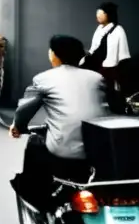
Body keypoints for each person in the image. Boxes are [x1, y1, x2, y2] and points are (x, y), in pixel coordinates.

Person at [9, 35, 107, 208]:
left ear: (54, 55)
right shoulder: (97, 78)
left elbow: (25, 110)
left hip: (64, 151)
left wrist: (18, 127)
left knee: (35, 144)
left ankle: (40, 202)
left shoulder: (44, 79)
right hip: (99, 150)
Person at [82, 2, 131, 113]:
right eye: (97, 13)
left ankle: (119, 108)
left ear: (109, 14)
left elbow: (122, 53)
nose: (98, 15)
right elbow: (94, 48)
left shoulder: (118, 30)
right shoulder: (99, 29)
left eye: (102, 13)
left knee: (112, 89)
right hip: (97, 62)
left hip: (111, 65)